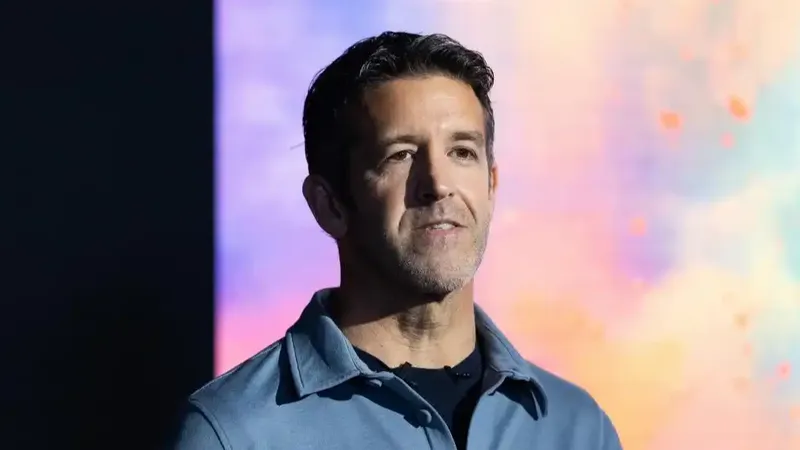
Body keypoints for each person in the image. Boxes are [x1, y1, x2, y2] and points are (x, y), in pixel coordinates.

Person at [173, 31, 623, 450]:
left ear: (491, 185)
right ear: (329, 204)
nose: (438, 184)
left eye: (462, 152)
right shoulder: (234, 433)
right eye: (401, 155)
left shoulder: (578, 428)